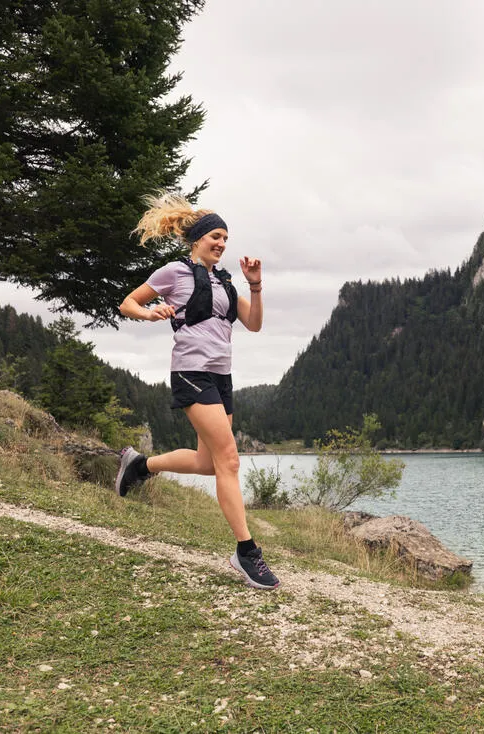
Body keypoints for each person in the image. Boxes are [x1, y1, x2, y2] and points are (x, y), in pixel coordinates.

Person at [115, 191, 279, 590]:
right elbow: (127, 303)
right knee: (230, 461)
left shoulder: (224, 282)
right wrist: (151, 311)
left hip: (221, 376)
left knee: (210, 463)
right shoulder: (174, 271)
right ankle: (246, 552)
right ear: (197, 240)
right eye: (215, 237)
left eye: (225, 238)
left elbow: (253, 324)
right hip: (191, 372)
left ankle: (141, 466)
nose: (221, 244)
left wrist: (255, 287)